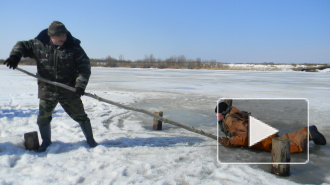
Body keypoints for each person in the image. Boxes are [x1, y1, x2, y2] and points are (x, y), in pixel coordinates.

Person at [4, 21, 98, 152]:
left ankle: (91, 141)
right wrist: (15, 56)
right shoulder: (39, 44)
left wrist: (80, 85)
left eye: (64, 35)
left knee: (81, 116)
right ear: (51, 36)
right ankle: (46, 142)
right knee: (43, 118)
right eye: (59, 36)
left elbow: (84, 67)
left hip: (68, 90)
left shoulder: (74, 47)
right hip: (47, 90)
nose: (63, 38)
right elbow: (21, 45)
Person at [215, 102, 326, 153]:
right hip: (260, 134)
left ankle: (309, 133)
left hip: (261, 137)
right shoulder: (230, 115)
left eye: (217, 113)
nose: (216, 115)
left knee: (288, 147)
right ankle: (307, 132)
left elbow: (243, 136)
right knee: (284, 141)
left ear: (222, 113)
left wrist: (230, 142)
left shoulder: (230, 119)